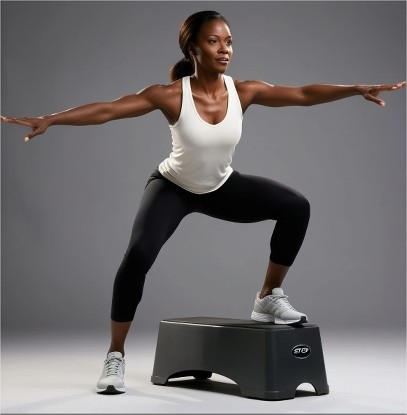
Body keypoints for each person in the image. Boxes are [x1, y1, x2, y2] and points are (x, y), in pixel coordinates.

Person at [2, 10, 404, 395]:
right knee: (138, 255)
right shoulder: (170, 95)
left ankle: (267, 296)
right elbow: (108, 110)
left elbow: (300, 93)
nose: (225, 49)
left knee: (296, 206)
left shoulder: (243, 91)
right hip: (173, 187)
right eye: (214, 41)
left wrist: (354, 90)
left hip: (220, 186)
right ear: (192, 49)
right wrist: (52, 118)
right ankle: (115, 355)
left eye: (229, 42)